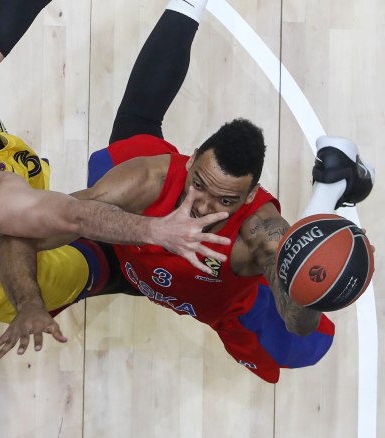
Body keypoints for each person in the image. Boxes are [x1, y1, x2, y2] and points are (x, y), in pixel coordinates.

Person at [0, 0, 231, 359]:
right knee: (130, 265)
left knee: (136, 133)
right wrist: (158, 231)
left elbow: (15, 10)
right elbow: (75, 216)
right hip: (3, 278)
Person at [33, 0, 375, 382]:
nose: (203, 206)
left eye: (225, 200)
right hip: (126, 251)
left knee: (298, 349)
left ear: (250, 197)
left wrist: (312, 284)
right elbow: (47, 221)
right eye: (199, 185)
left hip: (219, 301)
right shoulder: (147, 179)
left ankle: (331, 186)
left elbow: (297, 323)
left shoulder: (262, 237)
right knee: (135, 122)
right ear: (191, 160)